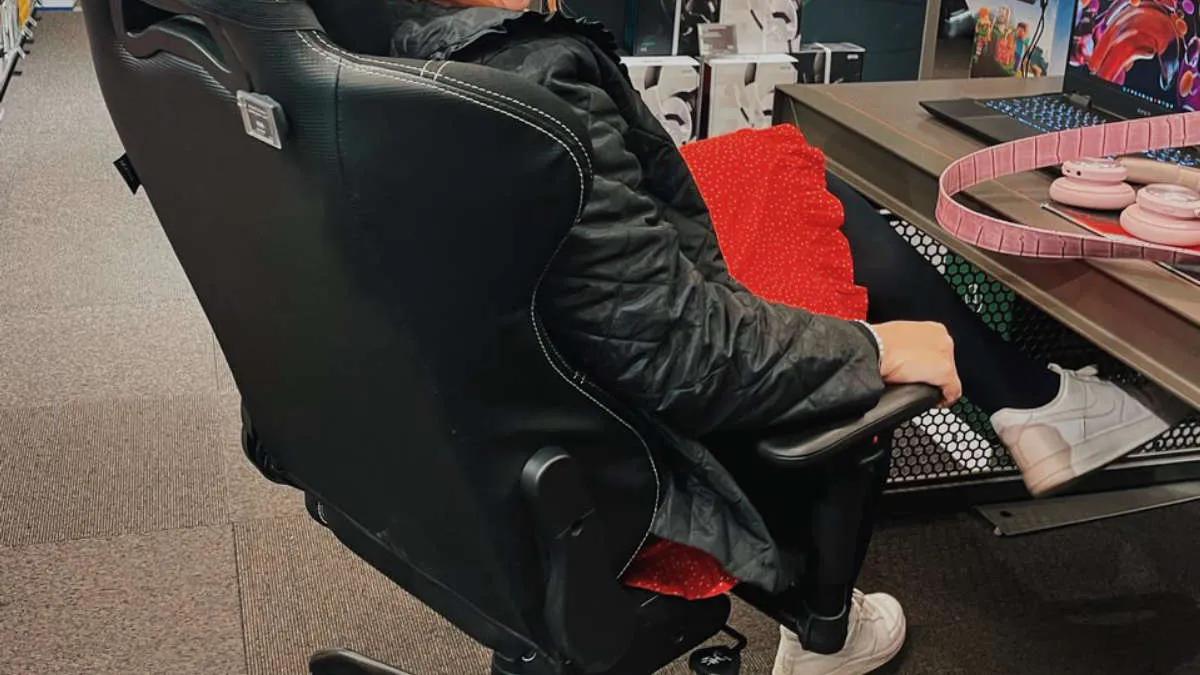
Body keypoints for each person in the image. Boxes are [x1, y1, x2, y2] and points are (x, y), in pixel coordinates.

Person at [385, 2, 1173, 672]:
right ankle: (826, 619)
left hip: (472, 402)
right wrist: (874, 351)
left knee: (787, 168)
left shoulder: (379, 53)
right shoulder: (536, 79)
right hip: (615, 435)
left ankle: (1028, 402)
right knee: (854, 295)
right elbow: (678, 351)